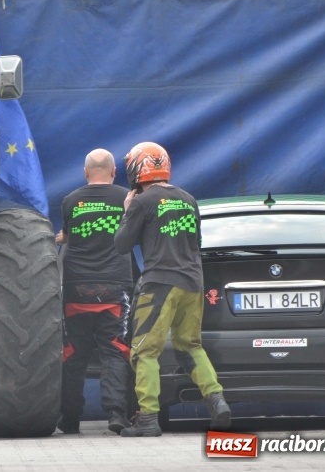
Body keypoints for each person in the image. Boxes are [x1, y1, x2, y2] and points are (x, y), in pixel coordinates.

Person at [113, 141, 231, 437]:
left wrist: (128, 210)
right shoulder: (188, 199)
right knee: (190, 346)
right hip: (193, 282)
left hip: (159, 284)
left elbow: (121, 245)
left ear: (136, 168)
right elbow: (196, 243)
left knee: (144, 351)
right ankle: (216, 400)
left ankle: (148, 420)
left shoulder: (142, 201)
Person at [54, 149, 134, 435]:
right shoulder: (127, 199)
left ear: (86, 173)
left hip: (77, 288)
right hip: (114, 288)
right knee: (114, 350)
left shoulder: (70, 201)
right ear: (113, 172)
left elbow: (69, 235)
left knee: (74, 353)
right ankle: (116, 415)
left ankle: (70, 419)